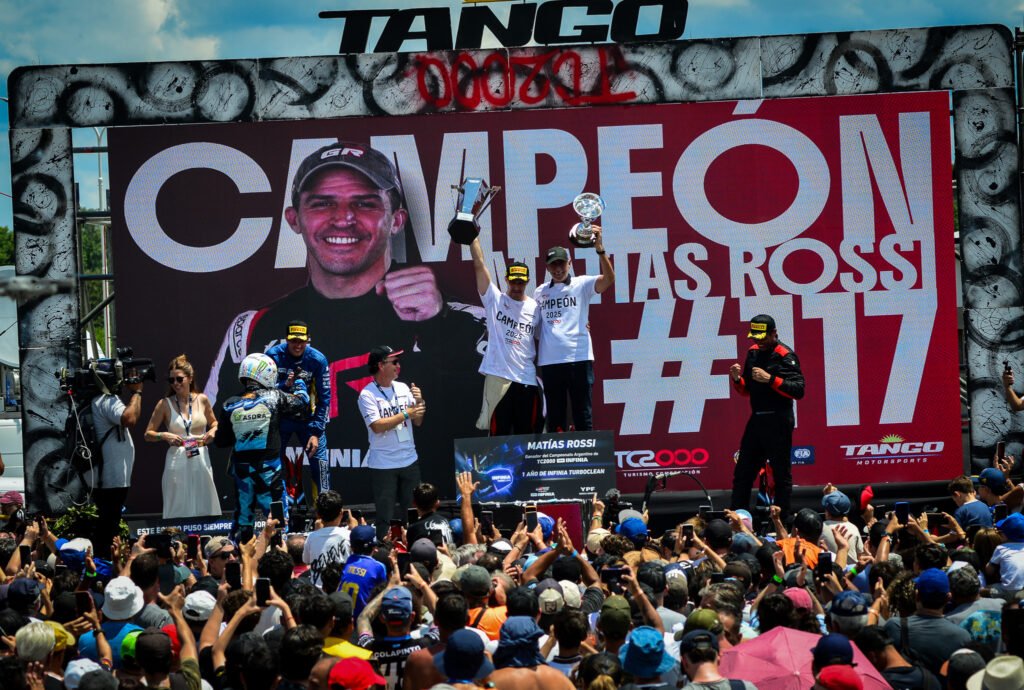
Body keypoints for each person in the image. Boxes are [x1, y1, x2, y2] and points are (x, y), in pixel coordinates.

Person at [207, 141, 485, 502]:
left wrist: (440, 327)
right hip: (296, 517)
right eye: (322, 203)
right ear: (294, 218)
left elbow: (506, 427)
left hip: (415, 514)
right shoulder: (252, 328)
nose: (343, 218)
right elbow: (215, 439)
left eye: (364, 203)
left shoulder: (459, 321)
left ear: (396, 220)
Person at [215, 352, 310, 541]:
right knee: (277, 520)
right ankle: (278, 550)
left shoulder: (229, 404)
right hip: (269, 472)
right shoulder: (274, 396)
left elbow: (221, 441)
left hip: (243, 472)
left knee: (243, 520)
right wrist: (300, 382)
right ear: (265, 373)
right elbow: (302, 405)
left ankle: (240, 553)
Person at [533, 236, 615, 433]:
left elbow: (609, 279)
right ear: (547, 267)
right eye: (553, 265)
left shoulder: (582, 284)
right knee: (555, 419)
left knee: (582, 415)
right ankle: (559, 454)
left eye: (561, 264)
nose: (558, 269)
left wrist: (600, 250)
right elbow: (534, 326)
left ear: (569, 263)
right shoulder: (539, 292)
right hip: (550, 362)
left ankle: (588, 454)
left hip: (579, 358)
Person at [728, 314, 805, 514]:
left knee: (781, 474)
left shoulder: (785, 355)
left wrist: (770, 379)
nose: (758, 341)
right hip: (757, 419)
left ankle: (782, 520)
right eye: (755, 337)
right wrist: (737, 380)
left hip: (779, 419)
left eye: (762, 337)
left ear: (774, 333)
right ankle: (737, 518)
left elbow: (799, 390)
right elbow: (746, 390)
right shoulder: (752, 352)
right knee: (743, 472)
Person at [467, 235, 541, 434]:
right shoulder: (494, 299)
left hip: (526, 378)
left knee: (526, 434)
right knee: (498, 434)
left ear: (527, 282)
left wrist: (582, 326)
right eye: (513, 282)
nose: (517, 287)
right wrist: (472, 237)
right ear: (506, 279)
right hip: (498, 377)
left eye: (521, 283)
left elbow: (549, 333)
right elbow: (479, 264)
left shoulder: (535, 308)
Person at [357, 345, 425, 536]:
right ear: (381, 365)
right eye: (394, 362)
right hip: (384, 465)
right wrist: (406, 414)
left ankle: (414, 547)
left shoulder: (403, 388)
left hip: (409, 461)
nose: (398, 365)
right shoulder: (367, 394)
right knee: (384, 518)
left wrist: (419, 402)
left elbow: (418, 421)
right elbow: (377, 426)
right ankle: (383, 550)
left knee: (413, 513)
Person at [143, 354, 221, 519]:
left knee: (204, 504)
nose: (176, 384)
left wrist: (213, 431)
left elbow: (215, 423)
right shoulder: (164, 404)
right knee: (178, 505)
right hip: (177, 457)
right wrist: (164, 435)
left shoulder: (202, 399)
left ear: (190, 378)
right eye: (172, 380)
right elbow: (148, 434)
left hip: (200, 456)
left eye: (179, 379)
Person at [265, 320, 332, 506]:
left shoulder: (317, 360)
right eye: (293, 341)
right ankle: (278, 513)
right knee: (273, 466)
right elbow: (263, 392)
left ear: (307, 340)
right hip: (280, 419)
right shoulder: (272, 356)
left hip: (308, 421)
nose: (298, 345)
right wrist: (284, 385)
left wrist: (316, 432)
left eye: (301, 341)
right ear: (286, 339)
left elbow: (325, 398)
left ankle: (325, 512)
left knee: (321, 465)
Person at [89, 364, 144, 559]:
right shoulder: (107, 400)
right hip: (112, 479)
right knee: (108, 529)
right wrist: (137, 392)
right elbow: (129, 418)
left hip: (106, 477)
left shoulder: (97, 400)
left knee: (106, 526)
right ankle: (103, 566)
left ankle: (102, 563)